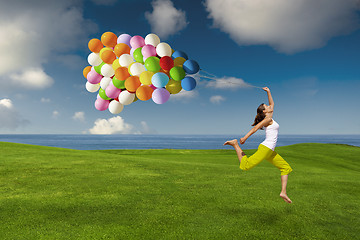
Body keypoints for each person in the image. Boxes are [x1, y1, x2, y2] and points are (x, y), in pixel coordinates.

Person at [224, 87, 293, 203]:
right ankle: (235, 144)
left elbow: (272, 103)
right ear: (264, 112)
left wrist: (268, 91)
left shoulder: (270, 116)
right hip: (265, 148)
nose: (269, 106)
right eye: (266, 106)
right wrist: (244, 138)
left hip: (269, 151)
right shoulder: (268, 119)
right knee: (245, 166)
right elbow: (256, 128)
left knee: (286, 168)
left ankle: (283, 192)